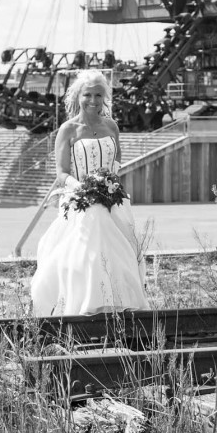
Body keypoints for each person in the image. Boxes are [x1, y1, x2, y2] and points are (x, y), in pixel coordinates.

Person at [30, 70, 148, 316]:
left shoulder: (111, 126)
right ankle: (87, 306)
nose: (93, 100)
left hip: (111, 197)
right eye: (88, 94)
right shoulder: (68, 129)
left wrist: (109, 186)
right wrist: (84, 188)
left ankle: (121, 306)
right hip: (80, 197)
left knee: (122, 251)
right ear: (77, 96)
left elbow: (116, 163)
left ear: (105, 97)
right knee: (94, 223)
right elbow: (61, 173)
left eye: (98, 95)